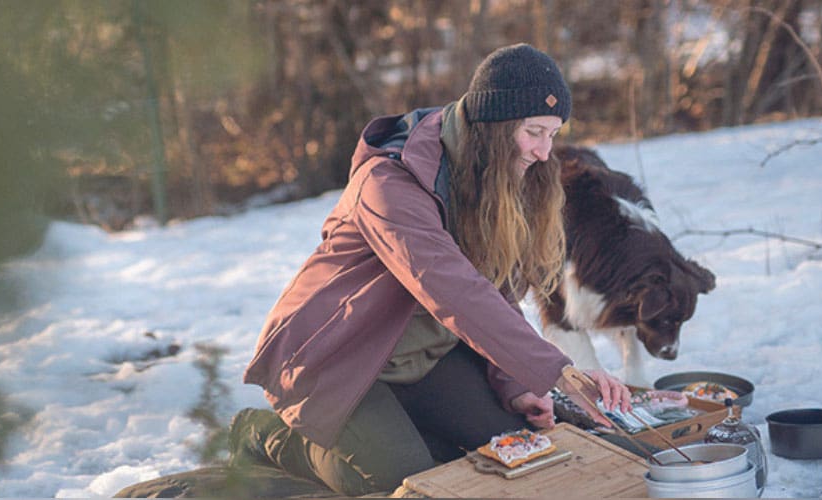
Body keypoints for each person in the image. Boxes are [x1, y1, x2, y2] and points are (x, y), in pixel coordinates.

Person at [232, 43, 633, 496]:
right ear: (495, 125)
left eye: (553, 134)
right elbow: (451, 287)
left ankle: (402, 429)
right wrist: (557, 370)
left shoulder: (486, 173)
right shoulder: (387, 183)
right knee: (404, 481)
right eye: (534, 131)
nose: (544, 152)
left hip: (420, 357)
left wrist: (515, 381)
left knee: (511, 448)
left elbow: (492, 287)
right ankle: (271, 436)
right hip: (337, 359)